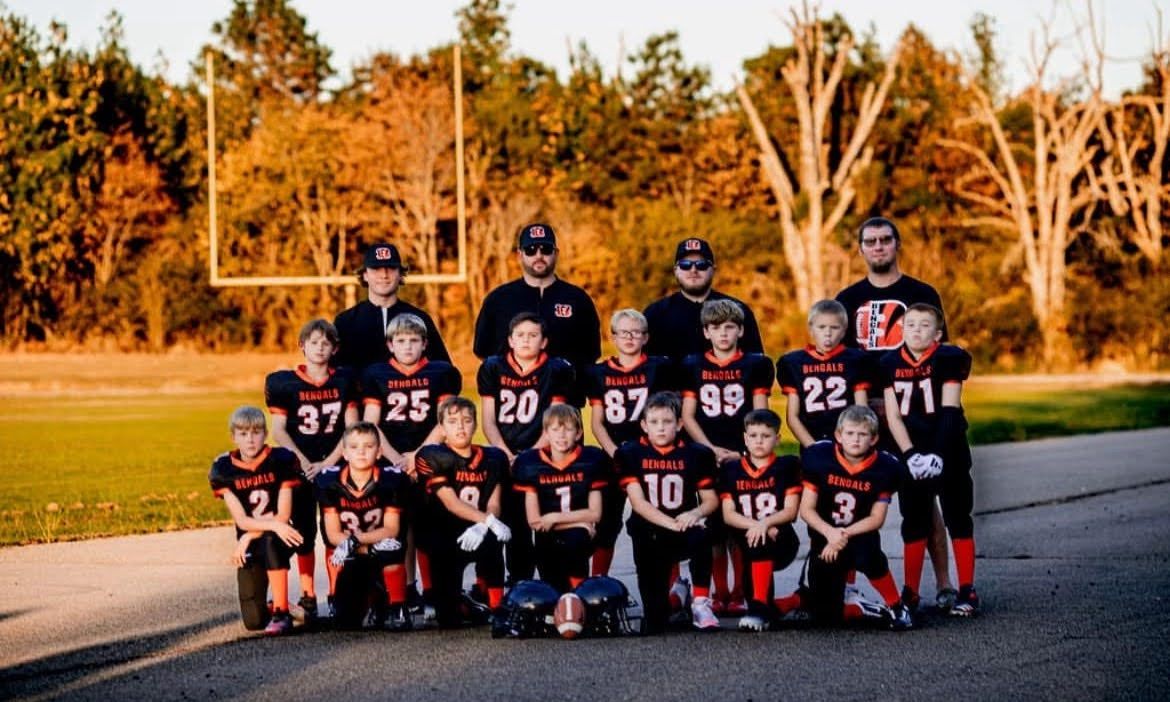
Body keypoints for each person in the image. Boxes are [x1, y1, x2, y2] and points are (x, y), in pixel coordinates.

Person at [835, 216, 955, 609]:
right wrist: (861, 406)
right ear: (861, 249)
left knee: (923, 501)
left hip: (913, 410)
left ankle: (943, 584)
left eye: (885, 240)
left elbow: (939, 355)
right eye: (870, 241)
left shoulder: (921, 293)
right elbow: (844, 360)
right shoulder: (848, 299)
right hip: (867, 415)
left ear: (897, 243)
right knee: (851, 497)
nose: (878, 247)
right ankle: (846, 587)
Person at [361, 312, 463, 616]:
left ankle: (432, 589)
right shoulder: (377, 375)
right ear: (390, 345)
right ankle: (404, 589)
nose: (407, 346)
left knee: (428, 525)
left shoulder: (439, 372)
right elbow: (371, 424)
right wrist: (396, 458)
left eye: (414, 340)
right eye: (401, 341)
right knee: (398, 526)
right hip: (392, 459)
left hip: (429, 457)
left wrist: (419, 456)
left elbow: (445, 420)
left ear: (425, 344)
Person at [880, 303, 979, 617]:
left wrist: (937, 454)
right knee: (914, 521)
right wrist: (909, 454)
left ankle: (967, 589)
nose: (916, 330)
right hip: (912, 451)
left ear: (937, 333)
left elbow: (950, 410)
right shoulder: (889, 362)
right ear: (901, 329)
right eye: (910, 324)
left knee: (958, 517)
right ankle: (910, 591)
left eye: (924, 325)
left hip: (947, 448)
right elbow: (893, 416)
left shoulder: (948, 359)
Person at [679, 298, 774, 616]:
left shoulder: (755, 365)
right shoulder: (694, 365)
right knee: (714, 526)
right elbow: (688, 416)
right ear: (706, 332)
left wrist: (747, 451)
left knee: (739, 525)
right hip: (708, 452)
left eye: (730, 327)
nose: (723, 334)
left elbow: (761, 412)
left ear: (741, 331)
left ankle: (738, 590)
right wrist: (707, 449)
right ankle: (719, 591)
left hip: (742, 452)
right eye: (716, 328)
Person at [264, 319, 360, 625]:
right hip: (300, 467)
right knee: (304, 534)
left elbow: (352, 427)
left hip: (336, 466)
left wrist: (329, 460)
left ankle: (336, 595)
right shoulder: (284, 383)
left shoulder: (344, 381)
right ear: (302, 346)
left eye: (326, 343)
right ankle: (308, 596)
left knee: (335, 532)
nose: (320, 348)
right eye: (314, 342)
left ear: (335, 349)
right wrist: (304, 460)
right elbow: (278, 429)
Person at [477, 311, 574, 582]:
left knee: (544, 523)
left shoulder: (556, 369)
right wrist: (505, 453)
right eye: (520, 335)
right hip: (503, 453)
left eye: (533, 335)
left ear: (544, 342)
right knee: (514, 524)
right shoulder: (493, 367)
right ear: (510, 340)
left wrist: (531, 455)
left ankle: (550, 583)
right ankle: (519, 584)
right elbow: (488, 419)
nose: (526, 341)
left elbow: (555, 420)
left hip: (542, 452)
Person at [798, 405, 912, 630]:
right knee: (825, 619)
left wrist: (843, 534)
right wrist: (830, 533)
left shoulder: (885, 467)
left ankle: (896, 604)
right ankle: (862, 608)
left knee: (869, 555)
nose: (856, 440)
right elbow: (807, 510)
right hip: (825, 538)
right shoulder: (819, 458)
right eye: (850, 433)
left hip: (859, 535)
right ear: (838, 435)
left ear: (874, 438)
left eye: (863, 434)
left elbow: (876, 518)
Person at [617, 391, 720, 634]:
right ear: (643, 425)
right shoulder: (631, 453)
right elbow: (639, 503)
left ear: (680, 424)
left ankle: (700, 602)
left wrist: (694, 514)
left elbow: (710, 500)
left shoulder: (696, 454)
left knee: (703, 533)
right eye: (654, 422)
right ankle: (677, 595)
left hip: (684, 527)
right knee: (655, 621)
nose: (661, 428)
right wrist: (670, 523)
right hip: (650, 530)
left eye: (667, 422)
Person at [472, 223, 601, 406]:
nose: (539, 256)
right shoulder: (499, 299)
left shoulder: (577, 299)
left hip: (565, 409)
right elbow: (483, 351)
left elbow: (590, 353)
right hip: (514, 411)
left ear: (555, 253)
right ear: (520, 254)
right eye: (531, 250)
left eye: (546, 249)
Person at [585, 308, 673, 576]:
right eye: (624, 332)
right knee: (607, 523)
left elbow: (667, 416)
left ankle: (671, 586)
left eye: (636, 332)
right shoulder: (599, 373)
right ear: (613, 337)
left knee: (660, 519)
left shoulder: (659, 368)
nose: (630, 338)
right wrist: (615, 452)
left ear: (646, 337)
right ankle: (598, 582)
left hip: (652, 455)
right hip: (615, 455)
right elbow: (597, 422)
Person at [414, 397, 512, 627]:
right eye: (453, 421)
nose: (460, 427)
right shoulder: (432, 456)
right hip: (445, 537)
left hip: (479, 530)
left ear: (475, 425)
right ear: (442, 428)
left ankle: (497, 607)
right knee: (448, 620)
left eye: (467, 420)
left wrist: (486, 524)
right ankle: (466, 604)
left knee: (494, 538)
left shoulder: (494, 458)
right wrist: (486, 520)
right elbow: (452, 504)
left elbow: (494, 503)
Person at [208, 406, 303, 635]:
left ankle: (281, 612)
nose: (250, 439)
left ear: (265, 433)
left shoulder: (280, 460)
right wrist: (249, 536)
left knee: (271, 540)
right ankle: (275, 607)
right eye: (243, 433)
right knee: (254, 622)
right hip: (253, 542)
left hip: (282, 537)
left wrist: (250, 535)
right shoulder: (224, 469)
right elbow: (241, 519)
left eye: (256, 432)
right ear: (233, 437)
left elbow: (283, 516)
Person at [316, 422, 411, 630]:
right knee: (345, 623)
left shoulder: (391, 480)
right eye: (354, 447)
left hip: (381, 549)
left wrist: (358, 540)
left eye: (368, 446)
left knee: (391, 546)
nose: (361, 452)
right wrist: (359, 545)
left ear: (379, 453)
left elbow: (392, 529)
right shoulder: (330, 482)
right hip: (352, 553)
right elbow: (332, 534)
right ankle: (375, 598)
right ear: (344, 453)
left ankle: (398, 606)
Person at [718, 409, 801, 632]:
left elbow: (791, 511)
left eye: (765, 436)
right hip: (749, 539)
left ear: (777, 439)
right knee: (755, 577)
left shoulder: (786, 466)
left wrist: (765, 524)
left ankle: (758, 609)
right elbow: (728, 514)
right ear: (745, 438)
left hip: (781, 539)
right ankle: (788, 603)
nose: (759, 441)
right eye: (753, 436)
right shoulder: (732, 469)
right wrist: (758, 525)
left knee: (760, 542)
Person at [512, 404, 607, 593]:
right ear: (545, 433)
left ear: (579, 433)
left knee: (576, 544)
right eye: (555, 430)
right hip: (548, 537)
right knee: (554, 590)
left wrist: (555, 518)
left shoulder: (590, 460)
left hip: (577, 537)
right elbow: (535, 521)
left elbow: (595, 514)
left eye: (568, 429)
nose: (562, 436)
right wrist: (579, 522)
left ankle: (581, 601)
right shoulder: (530, 464)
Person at [643, 237, 764, 362]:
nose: (693, 270)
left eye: (701, 265)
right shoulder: (655, 314)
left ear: (713, 270)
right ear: (675, 270)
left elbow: (758, 368)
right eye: (685, 265)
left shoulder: (738, 311)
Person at [334, 242, 451, 372]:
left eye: (390, 268)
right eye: (376, 269)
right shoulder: (346, 321)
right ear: (365, 275)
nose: (384, 275)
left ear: (400, 274)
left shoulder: (418, 319)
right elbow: (332, 375)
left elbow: (445, 373)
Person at [776, 300, 872, 448]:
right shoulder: (794, 362)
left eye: (834, 327)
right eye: (821, 327)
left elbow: (861, 410)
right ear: (811, 328)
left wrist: (851, 446)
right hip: (811, 440)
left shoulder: (856, 360)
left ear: (844, 330)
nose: (828, 333)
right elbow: (792, 417)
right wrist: (813, 447)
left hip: (849, 443)